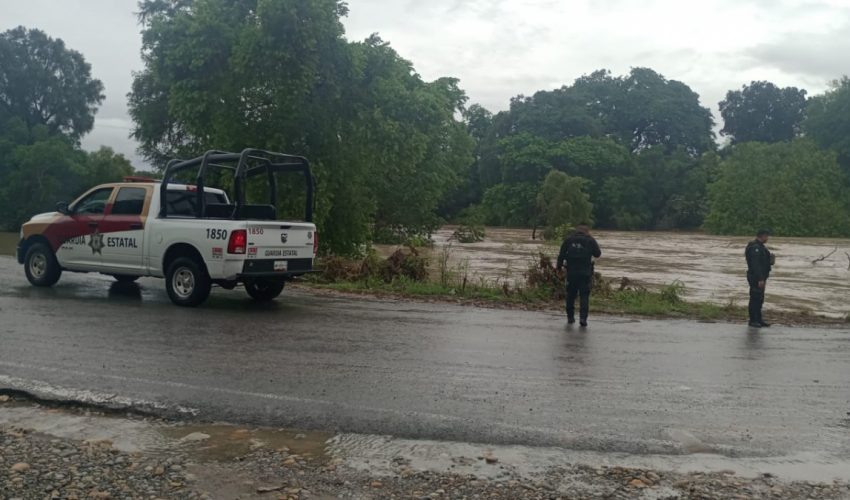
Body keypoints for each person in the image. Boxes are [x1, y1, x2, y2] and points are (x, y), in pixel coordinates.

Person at [556, 223, 601, 327]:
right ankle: (583, 319)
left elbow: (561, 255)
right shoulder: (590, 240)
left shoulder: (569, 240)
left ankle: (570, 318)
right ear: (587, 231)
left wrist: (558, 269)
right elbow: (597, 254)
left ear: (576, 231)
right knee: (584, 296)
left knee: (571, 295)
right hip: (585, 273)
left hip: (571, 273)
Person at [745, 229, 773, 328]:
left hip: (762, 277)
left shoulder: (761, 247)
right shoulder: (755, 247)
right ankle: (753, 320)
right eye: (767, 236)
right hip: (756, 277)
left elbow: (763, 262)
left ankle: (759, 319)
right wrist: (760, 279)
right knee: (755, 298)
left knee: (760, 299)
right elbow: (755, 265)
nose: (768, 238)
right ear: (763, 236)